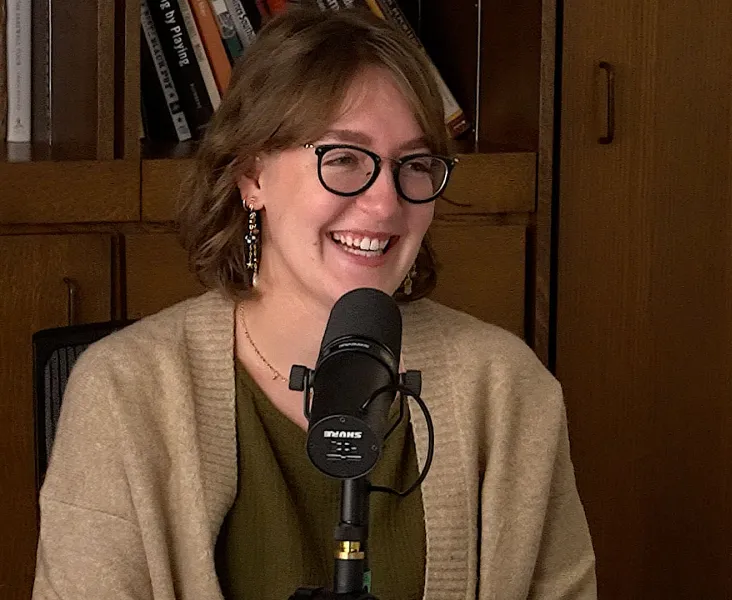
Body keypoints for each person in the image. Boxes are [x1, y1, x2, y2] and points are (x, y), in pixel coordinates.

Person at [32, 8, 596, 600]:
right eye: (344, 158)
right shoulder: (124, 392)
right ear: (251, 175)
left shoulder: (511, 392)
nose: (385, 206)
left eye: (415, 164)